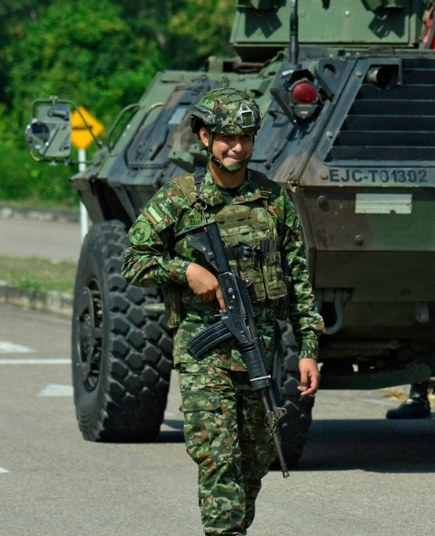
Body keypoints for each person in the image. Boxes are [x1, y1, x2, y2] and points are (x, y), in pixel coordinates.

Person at [122, 87, 323, 535]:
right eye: (228, 138)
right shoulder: (179, 198)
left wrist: (308, 349)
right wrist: (187, 269)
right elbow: (133, 260)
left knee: (255, 461)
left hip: (261, 352)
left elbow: (299, 283)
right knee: (219, 460)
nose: (238, 148)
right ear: (205, 137)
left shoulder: (273, 200)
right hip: (204, 354)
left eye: (246, 138)